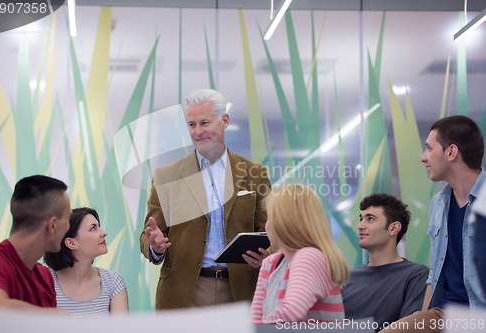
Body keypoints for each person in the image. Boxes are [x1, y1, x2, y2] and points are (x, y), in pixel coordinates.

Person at [139, 89, 272, 309]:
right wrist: (155, 246)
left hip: (241, 290)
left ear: (225, 120)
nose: (198, 131)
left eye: (205, 123)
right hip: (184, 292)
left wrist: (268, 256)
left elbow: (270, 230)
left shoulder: (254, 173)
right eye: (192, 124)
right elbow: (148, 236)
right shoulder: (166, 176)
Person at [380, 115, 485, 333]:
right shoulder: (439, 203)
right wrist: (422, 319)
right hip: (445, 315)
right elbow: (434, 274)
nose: (423, 157)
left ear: (451, 152)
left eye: (429, 148)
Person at [249, 184, 349, 323]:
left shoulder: (309, 256)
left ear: (284, 223)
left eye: (270, 218)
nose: (267, 225)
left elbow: (291, 311)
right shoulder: (269, 263)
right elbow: (254, 319)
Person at [342, 193, 428, 331]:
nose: (360, 226)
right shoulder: (347, 278)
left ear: (394, 228)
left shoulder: (416, 275)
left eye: (370, 219)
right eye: (361, 219)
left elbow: (411, 328)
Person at [0, 175, 71, 311]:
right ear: (52, 225)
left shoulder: (45, 276)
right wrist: (57, 316)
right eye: (68, 218)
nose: (68, 226)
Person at [44, 207, 129, 317]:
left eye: (99, 226)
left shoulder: (113, 282)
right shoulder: (44, 282)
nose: (104, 233)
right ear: (71, 243)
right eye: (93, 228)